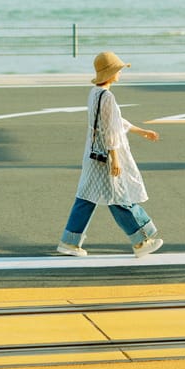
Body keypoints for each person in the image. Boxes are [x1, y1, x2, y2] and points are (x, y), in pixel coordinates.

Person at [57, 51, 163, 258]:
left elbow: (113, 123)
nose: (121, 73)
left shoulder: (94, 94)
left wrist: (141, 131)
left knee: (86, 197)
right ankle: (141, 240)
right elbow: (110, 130)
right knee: (119, 195)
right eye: (119, 70)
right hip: (106, 156)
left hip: (93, 153)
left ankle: (69, 242)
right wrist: (115, 159)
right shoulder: (108, 97)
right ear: (111, 73)